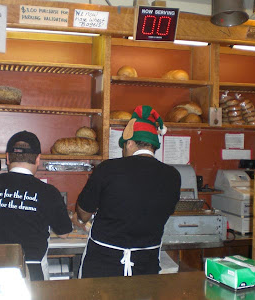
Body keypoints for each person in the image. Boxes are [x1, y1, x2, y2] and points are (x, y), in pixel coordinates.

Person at [74, 105, 181, 278]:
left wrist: (79, 215)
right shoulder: (173, 176)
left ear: (130, 143)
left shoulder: (107, 169)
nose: (123, 151)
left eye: (124, 146)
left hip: (103, 266)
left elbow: (84, 214)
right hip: (146, 267)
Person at [0, 130, 72, 281]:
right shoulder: (48, 192)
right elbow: (64, 233)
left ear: (7, 158)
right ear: (38, 159)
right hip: (30, 271)